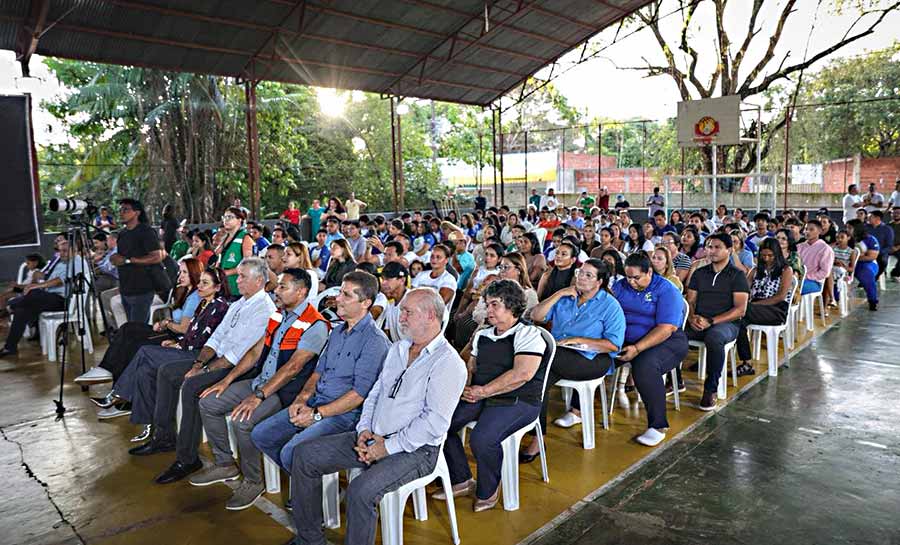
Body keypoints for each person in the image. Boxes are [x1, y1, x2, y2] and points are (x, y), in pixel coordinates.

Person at [287, 288, 466, 545]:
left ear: (430, 316)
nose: (400, 317)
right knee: (304, 455)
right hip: (373, 436)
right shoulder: (399, 349)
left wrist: (387, 447)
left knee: (360, 492)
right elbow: (374, 394)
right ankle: (309, 539)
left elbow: (433, 423)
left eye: (407, 312)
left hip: (417, 449)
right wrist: (364, 430)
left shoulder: (448, 363)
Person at [192, 268, 330, 510]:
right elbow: (256, 352)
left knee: (242, 421)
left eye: (283, 287)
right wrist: (227, 380)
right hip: (259, 381)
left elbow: (293, 369)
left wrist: (258, 396)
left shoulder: (315, 324)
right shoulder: (279, 315)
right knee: (209, 402)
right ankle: (225, 463)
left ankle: (253, 481)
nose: (276, 290)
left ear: (301, 292)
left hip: (282, 391)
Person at [252, 271, 390, 482]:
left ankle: (306, 486)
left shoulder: (374, 341)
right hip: (318, 401)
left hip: (345, 415)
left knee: (292, 451)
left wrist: (316, 415)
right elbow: (318, 371)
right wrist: (302, 398)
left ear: (365, 303)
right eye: (340, 293)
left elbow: (358, 395)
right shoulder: (337, 332)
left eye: (346, 295)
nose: (338, 299)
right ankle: (304, 480)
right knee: (261, 434)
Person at [151, 258, 276, 485]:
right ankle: (164, 436)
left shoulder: (264, 309)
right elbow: (216, 337)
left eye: (242, 277)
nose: (236, 280)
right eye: (237, 275)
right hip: (217, 360)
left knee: (191, 386)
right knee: (167, 371)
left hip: (239, 369)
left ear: (259, 281)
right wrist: (198, 363)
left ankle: (187, 458)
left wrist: (204, 370)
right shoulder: (239, 303)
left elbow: (236, 356)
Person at [439, 280, 547, 510]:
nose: (488, 310)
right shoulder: (484, 335)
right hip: (482, 395)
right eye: (487, 304)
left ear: (512, 306)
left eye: (494, 305)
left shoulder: (528, 334)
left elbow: (523, 373)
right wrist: (466, 389)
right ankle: (462, 478)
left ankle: (488, 488)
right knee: (440, 423)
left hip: (519, 399)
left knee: (482, 439)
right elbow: (471, 367)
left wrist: (483, 391)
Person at [96, 267, 229, 437]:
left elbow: (203, 341)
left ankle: (117, 394)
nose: (200, 286)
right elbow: (191, 334)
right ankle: (148, 425)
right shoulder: (203, 304)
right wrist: (176, 342)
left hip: (199, 357)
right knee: (144, 370)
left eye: (205, 283)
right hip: (187, 348)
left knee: (144, 351)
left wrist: (177, 346)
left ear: (217, 287)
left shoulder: (219, 307)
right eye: (200, 282)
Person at [77, 259, 204, 387]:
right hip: (169, 330)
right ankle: (106, 369)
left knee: (135, 343)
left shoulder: (194, 297)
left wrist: (166, 323)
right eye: (180, 272)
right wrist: (166, 323)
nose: (180, 276)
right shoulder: (184, 291)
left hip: (175, 336)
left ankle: (118, 385)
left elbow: (184, 328)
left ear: (194, 274)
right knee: (128, 328)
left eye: (185, 273)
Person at [611, 253, 688, 446]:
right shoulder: (620, 287)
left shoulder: (666, 290)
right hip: (626, 339)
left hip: (666, 340)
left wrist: (637, 348)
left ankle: (658, 425)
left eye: (636, 277)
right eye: (628, 277)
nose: (631, 282)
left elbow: (666, 328)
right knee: (594, 357)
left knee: (644, 366)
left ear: (649, 272)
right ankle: (578, 410)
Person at [684, 233, 749, 411]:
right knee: (672, 334)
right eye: (709, 247)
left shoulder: (737, 275)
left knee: (714, 338)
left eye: (717, 247)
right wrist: (691, 318)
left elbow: (740, 310)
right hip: (699, 320)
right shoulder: (700, 273)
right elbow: (690, 301)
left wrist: (711, 321)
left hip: (726, 323)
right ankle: (674, 380)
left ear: (729, 250)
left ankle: (710, 389)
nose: (711, 251)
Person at [0, 236, 89, 358]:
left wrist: (36, 286)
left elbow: (59, 281)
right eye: (60, 251)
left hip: (63, 301)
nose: (61, 254)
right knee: (22, 310)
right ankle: (9, 347)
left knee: (34, 293)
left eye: (64, 251)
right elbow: (48, 278)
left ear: (74, 251)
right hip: (49, 297)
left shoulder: (78, 262)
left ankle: (7, 310)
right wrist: (37, 281)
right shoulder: (61, 262)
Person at [735, 238, 793, 376]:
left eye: (770, 256)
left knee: (740, 311)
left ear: (777, 254)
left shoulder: (786, 270)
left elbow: (780, 296)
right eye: (763, 255)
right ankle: (746, 362)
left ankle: (745, 363)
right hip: (754, 308)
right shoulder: (755, 270)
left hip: (776, 309)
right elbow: (745, 290)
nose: (766, 258)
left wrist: (752, 304)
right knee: (736, 320)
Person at [111, 199, 165, 323]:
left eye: (125, 209)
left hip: (142, 288)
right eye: (120, 210)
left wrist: (128, 261)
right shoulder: (123, 233)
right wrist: (115, 258)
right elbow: (122, 257)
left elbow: (157, 256)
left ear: (137, 213)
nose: (121, 212)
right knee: (131, 325)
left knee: (138, 328)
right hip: (126, 287)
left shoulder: (146, 231)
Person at [218, 207, 254, 296]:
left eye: (230, 217)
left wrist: (225, 273)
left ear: (239, 220)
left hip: (237, 289)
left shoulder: (245, 238)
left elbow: (247, 264)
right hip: (223, 286)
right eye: (224, 217)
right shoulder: (225, 238)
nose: (226, 220)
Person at [847, 219, 881, 310]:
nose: (847, 230)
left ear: (857, 229)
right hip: (846, 263)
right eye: (846, 227)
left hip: (866, 264)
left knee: (866, 274)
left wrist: (854, 258)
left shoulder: (870, 239)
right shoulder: (845, 238)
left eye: (850, 228)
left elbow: (871, 256)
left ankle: (872, 300)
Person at [797, 220, 834, 296]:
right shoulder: (799, 246)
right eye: (806, 229)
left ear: (819, 231)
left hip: (814, 282)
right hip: (798, 279)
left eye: (811, 229)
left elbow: (825, 272)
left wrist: (806, 276)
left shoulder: (825, 249)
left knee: (791, 287)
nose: (807, 232)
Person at [866, 211, 894, 281]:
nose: (868, 218)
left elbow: (889, 246)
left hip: (880, 254)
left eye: (870, 217)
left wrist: (879, 252)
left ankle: (870, 280)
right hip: (866, 253)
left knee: (881, 262)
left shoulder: (887, 229)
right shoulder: (865, 228)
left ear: (877, 218)